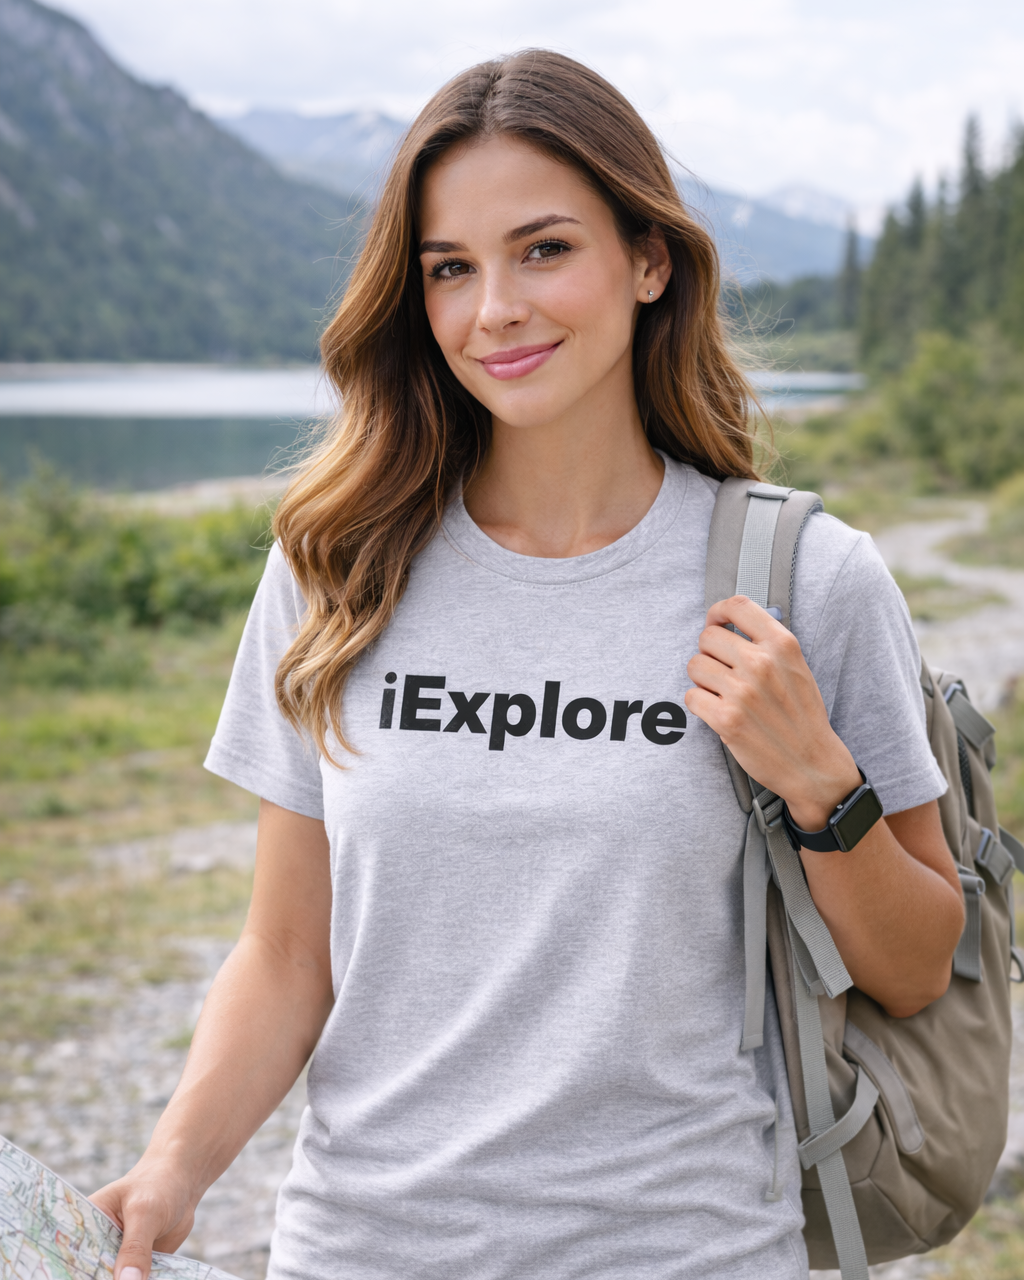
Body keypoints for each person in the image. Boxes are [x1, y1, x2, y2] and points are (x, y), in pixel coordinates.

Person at [92, 49, 964, 1280]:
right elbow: (289, 952)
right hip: (360, 1249)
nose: (492, 307)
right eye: (450, 268)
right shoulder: (337, 567)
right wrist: (176, 1165)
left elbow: (922, 965)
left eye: (543, 248)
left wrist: (820, 781)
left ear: (648, 261)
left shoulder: (803, 577)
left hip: (686, 1250)